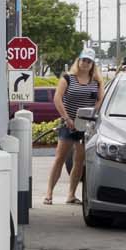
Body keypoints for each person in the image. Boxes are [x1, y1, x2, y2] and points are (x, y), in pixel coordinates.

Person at [44, 48, 103, 205]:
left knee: (79, 160)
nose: (85, 63)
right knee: (60, 157)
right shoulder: (68, 78)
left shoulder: (96, 82)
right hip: (68, 124)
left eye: (89, 61)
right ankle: (49, 193)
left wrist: (91, 114)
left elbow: (100, 100)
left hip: (85, 126)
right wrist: (67, 118)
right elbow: (57, 98)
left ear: (92, 64)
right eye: (83, 60)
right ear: (78, 61)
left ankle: (71, 194)